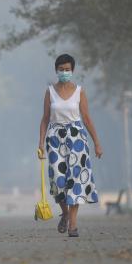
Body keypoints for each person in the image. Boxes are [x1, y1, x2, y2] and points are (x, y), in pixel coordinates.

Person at [38, 54, 103, 237]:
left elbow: (87, 119)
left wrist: (97, 143)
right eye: (61, 69)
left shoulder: (79, 91)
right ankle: (65, 213)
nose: (64, 72)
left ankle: (73, 225)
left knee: (75, 181)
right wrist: (41, 143)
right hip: (55, 138)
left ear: (72, 71)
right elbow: (44, 119)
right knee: (58, 180)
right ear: (56, 70)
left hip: (77, 139)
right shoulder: (49, 92)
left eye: (67, 69)